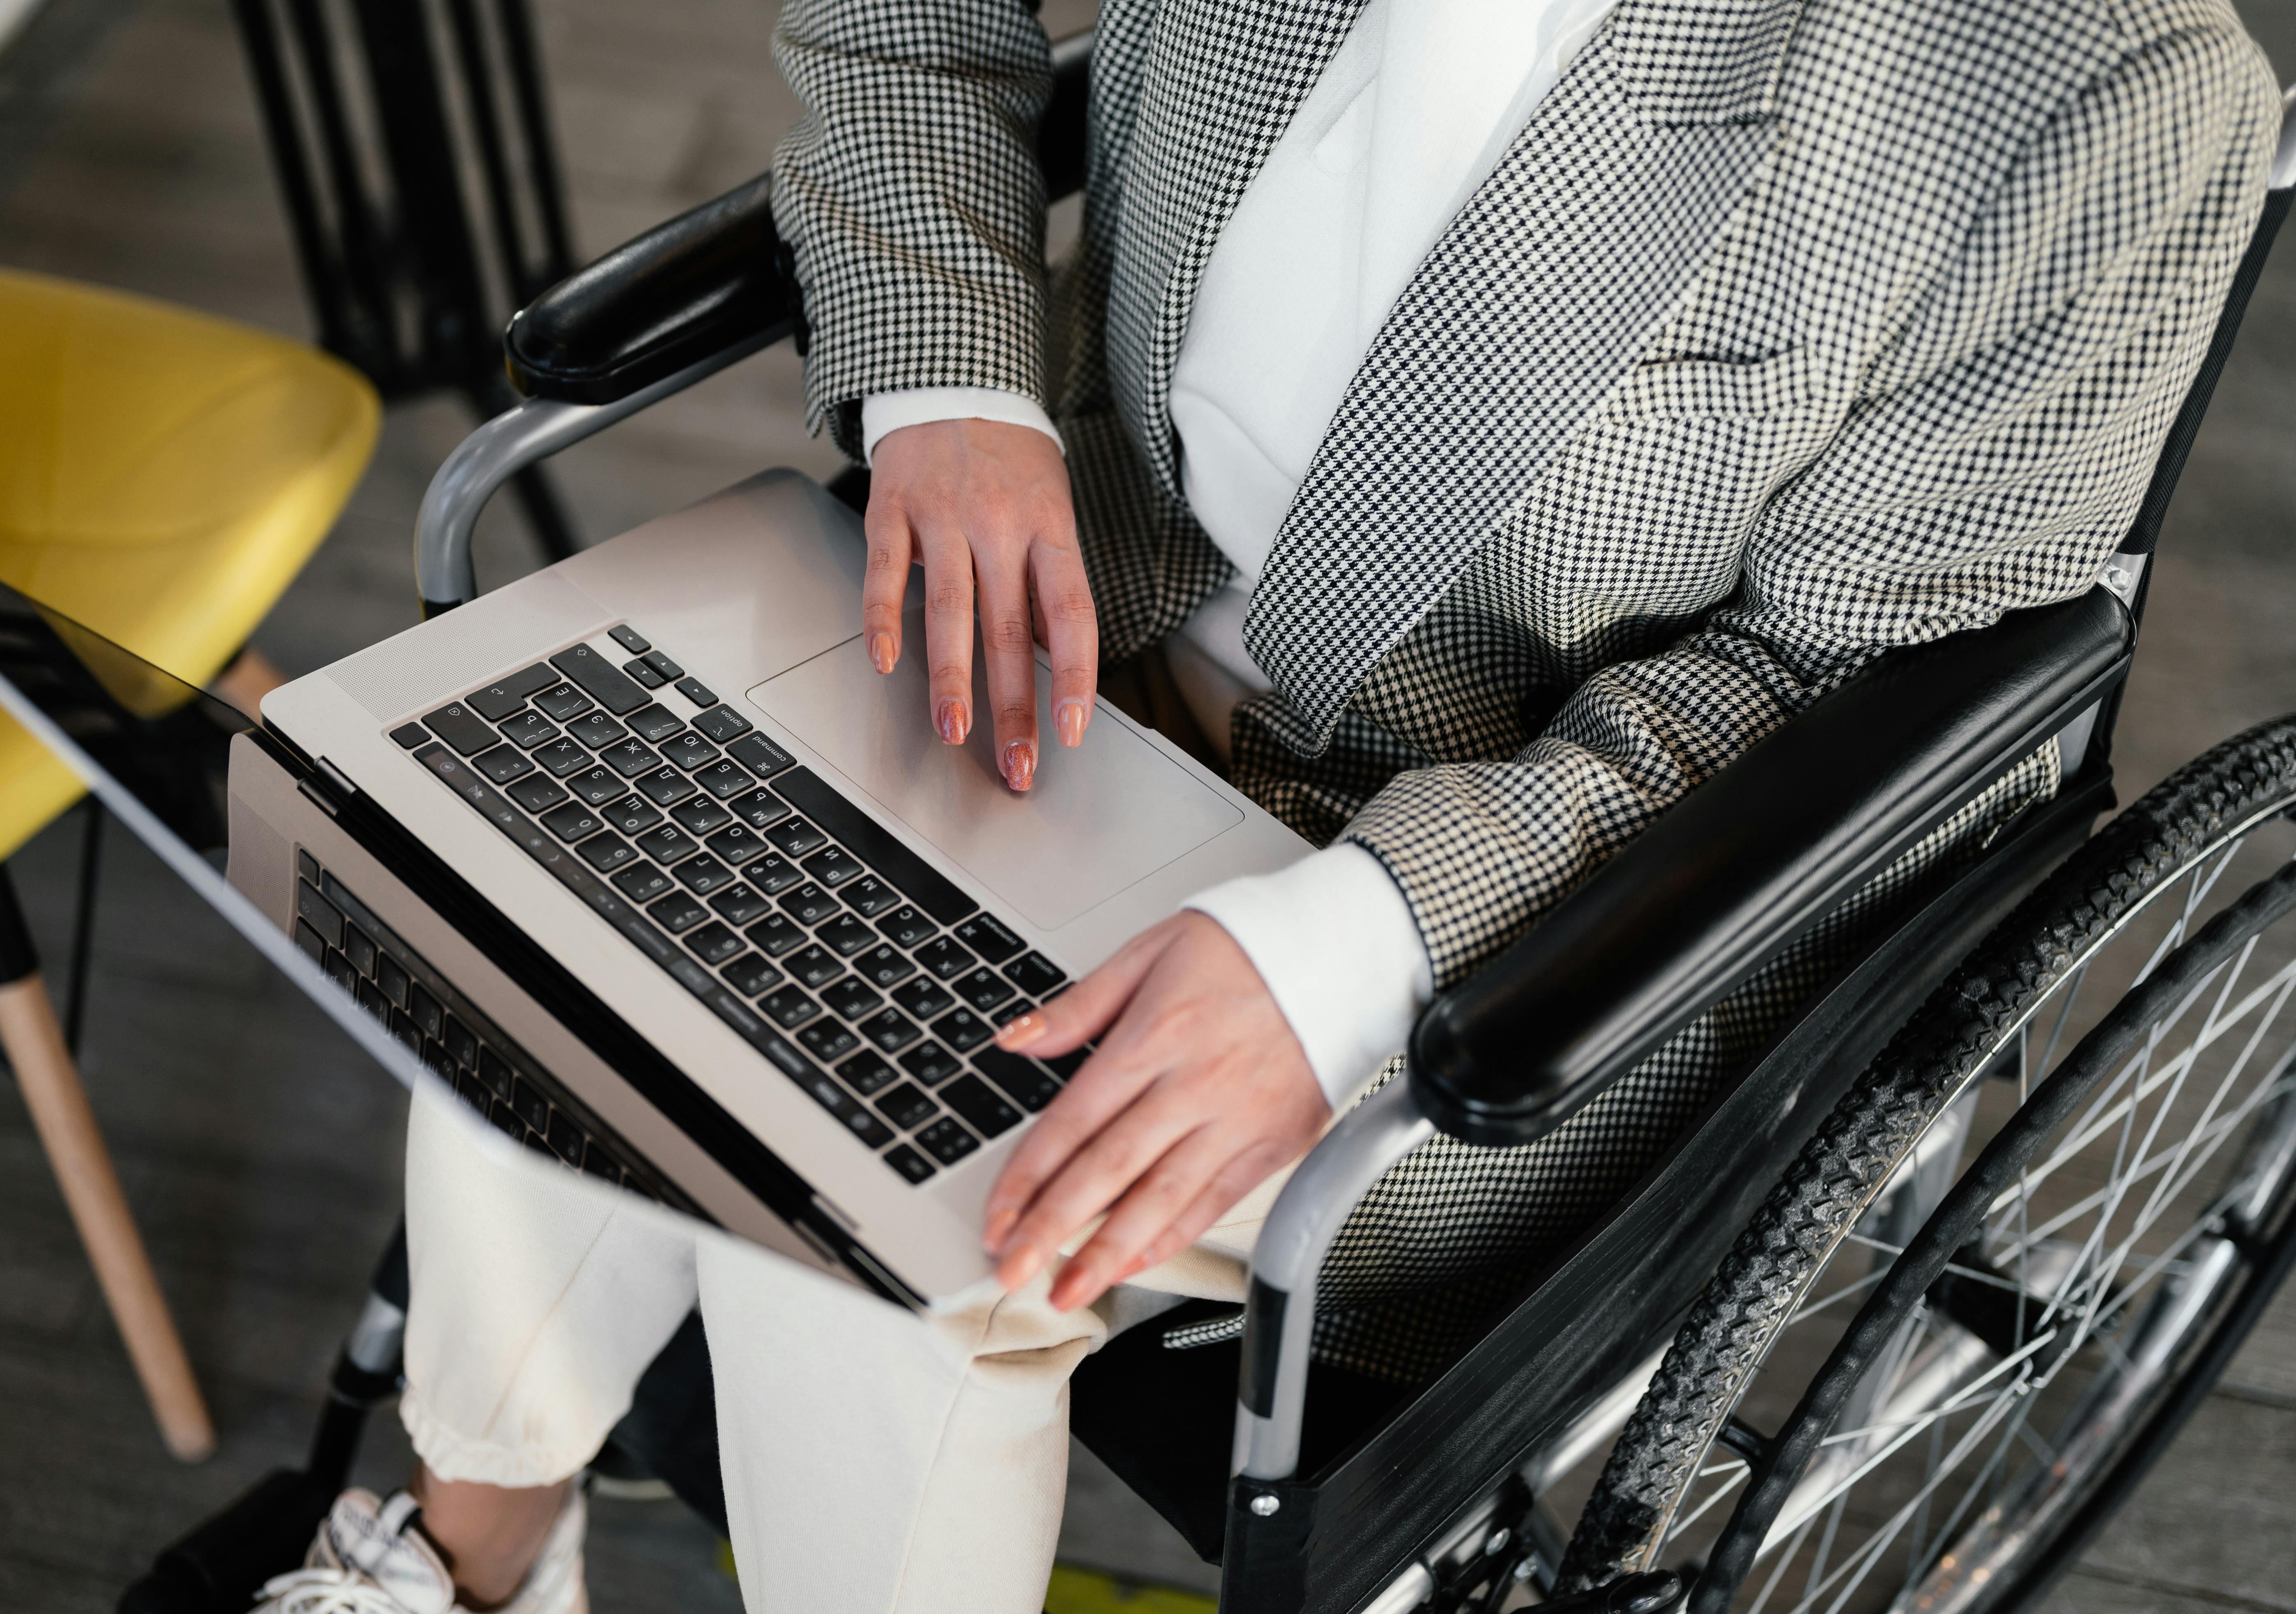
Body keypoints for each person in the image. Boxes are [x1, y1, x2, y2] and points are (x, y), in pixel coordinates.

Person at [251, 0, 2279, 1609]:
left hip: (1509, 881)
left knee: (931, 1222)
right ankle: (463, 1565)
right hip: (1060, 617)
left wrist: (1348, 954)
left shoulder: (2094, 92)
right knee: (550, 867)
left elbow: (1832, 696)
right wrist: (954, 388)